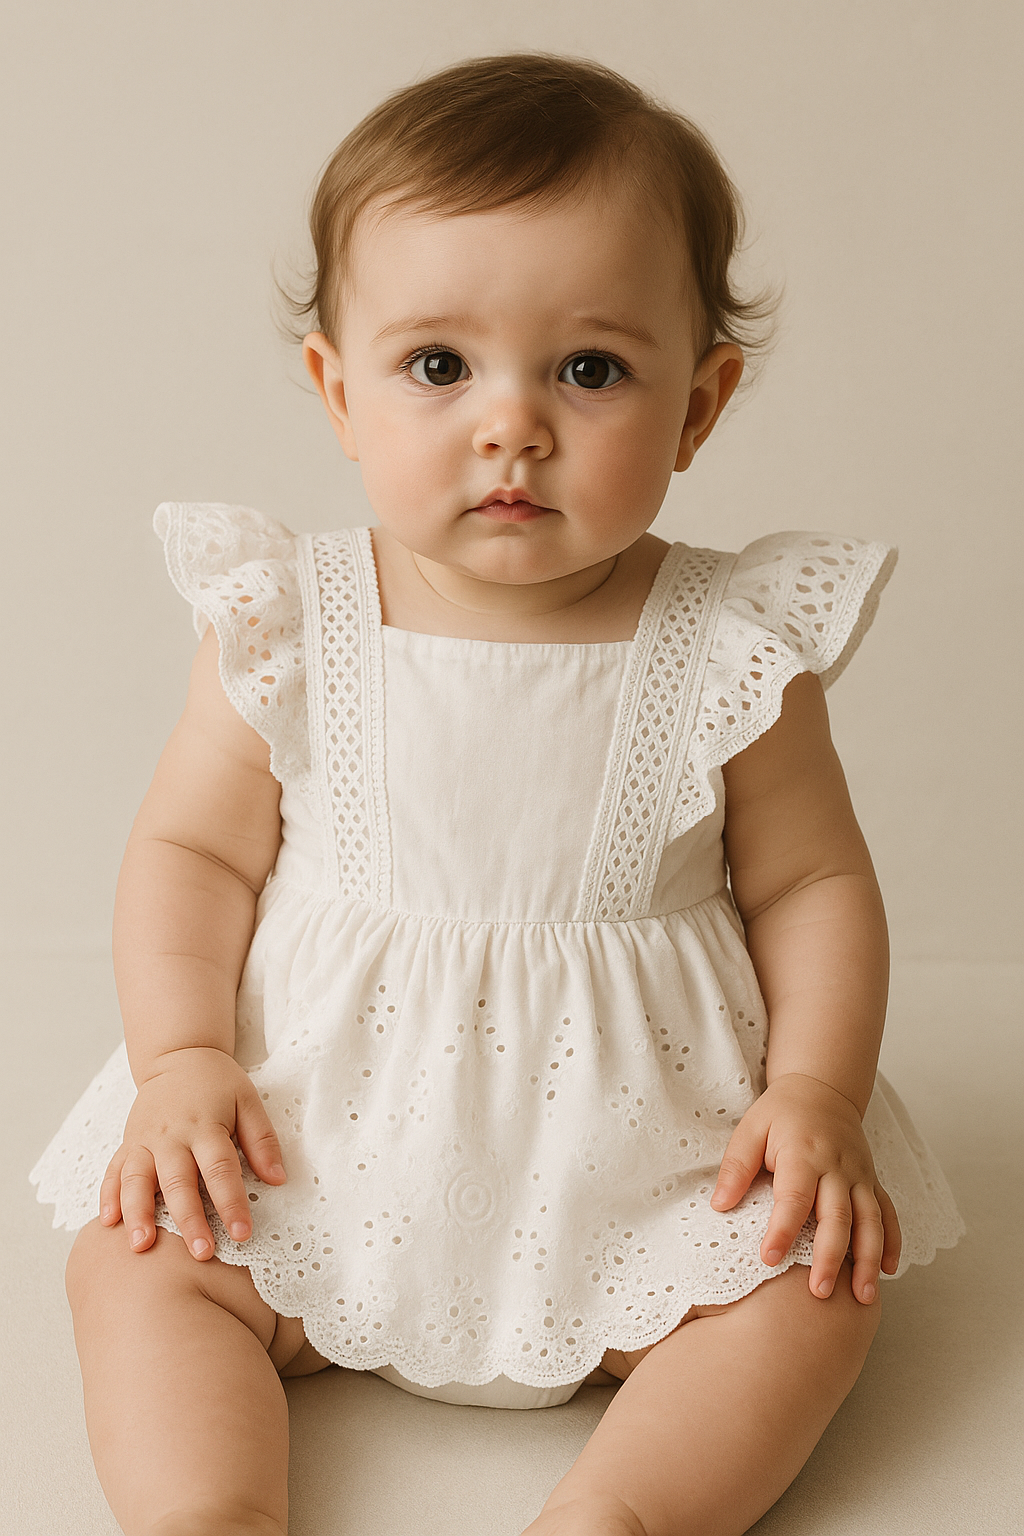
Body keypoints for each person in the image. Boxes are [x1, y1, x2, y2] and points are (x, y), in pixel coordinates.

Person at [30, 51, 964, 1536]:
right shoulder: (288, 620)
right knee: (138, 1256)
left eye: (589, 370)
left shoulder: (732, 644)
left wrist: (815, 1094)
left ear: (701, 404)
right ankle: (209, 1512)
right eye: (438, 366)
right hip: (313, 1146)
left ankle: (619, 1514)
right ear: (339, 391)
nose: (511, 423)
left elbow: (811, 884)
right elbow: (194, 852)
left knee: (814, 1287)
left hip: (642, 1165)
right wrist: (183, 1057)